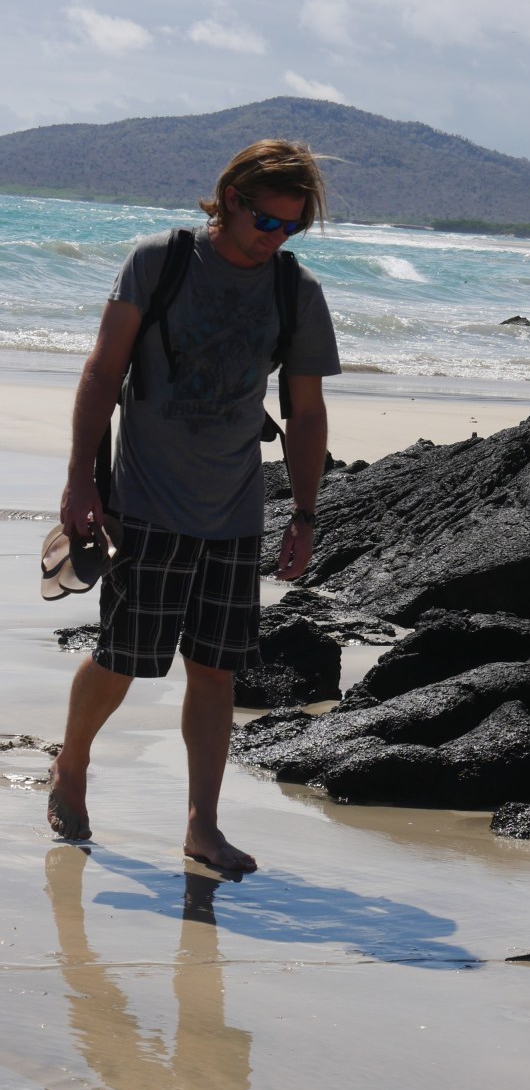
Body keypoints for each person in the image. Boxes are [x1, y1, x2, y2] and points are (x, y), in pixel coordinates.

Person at [47, 140, 341, 872]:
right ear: (231, 198)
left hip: (234, 510)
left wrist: (305, 515)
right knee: (123, 657)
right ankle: (72, 761)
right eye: (266, 222)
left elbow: (306, 412)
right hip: (146, 499)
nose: (276, 239)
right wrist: (80, 480)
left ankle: (201, 826)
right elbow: (102, 370)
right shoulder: (161, 262)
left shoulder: (295, 291)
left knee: (215, 669)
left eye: (292, 228)